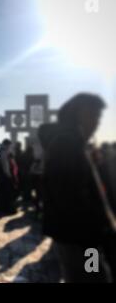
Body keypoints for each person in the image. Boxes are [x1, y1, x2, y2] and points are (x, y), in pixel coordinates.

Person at [38, 93, 116, 282]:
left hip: (82, 236)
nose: (97, 123)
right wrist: (99, 230)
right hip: (83, 239)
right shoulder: (67, 144)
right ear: (80, 115)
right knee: (93, 278)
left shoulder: (74, 144)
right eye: (95, 116)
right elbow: (70, 198)